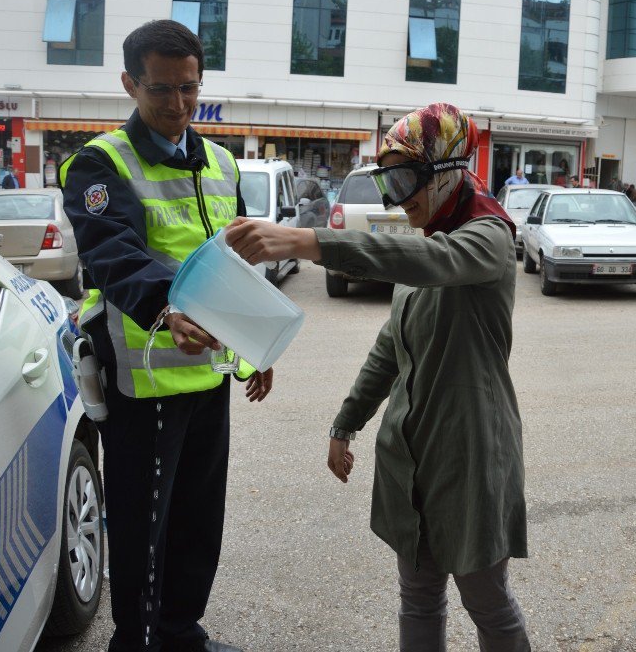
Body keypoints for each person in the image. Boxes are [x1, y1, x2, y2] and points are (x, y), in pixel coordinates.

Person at [225, 102, 531, 652]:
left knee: (487, 602)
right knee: (417, 599)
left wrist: (306, 242)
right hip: (410, 456)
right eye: (387, 180)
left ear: (448, 171)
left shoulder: (488, 239)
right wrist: (345, 425)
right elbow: (389, 350)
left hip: (470, 455)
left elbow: (430, 262)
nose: (397, 197)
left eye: (406, 178)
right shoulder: (429, 241)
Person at [59, 20, 272, 652]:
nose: (177, 105)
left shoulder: (222, 163)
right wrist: (162, 307)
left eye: (188, 88)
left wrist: (257, 345)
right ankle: (141, 641)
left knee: (198, 525)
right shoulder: (100, 164)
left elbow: (228, 270)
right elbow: (112, 254)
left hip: (208, 379)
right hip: (143, 382)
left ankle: (181, 633)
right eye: (160, 89)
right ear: (129, 83)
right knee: (142, 530)